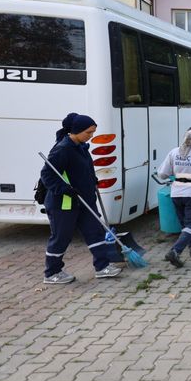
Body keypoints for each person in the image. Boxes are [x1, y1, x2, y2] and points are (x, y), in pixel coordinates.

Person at [40, 113, 122, 284]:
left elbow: (83, 170)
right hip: (64, 202)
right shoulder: (62, 149)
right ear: (76, 131)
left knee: (95, 231)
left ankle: (102, 266)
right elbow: (47, 175)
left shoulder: (82, 147)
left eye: (93, 132)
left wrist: (92, 180)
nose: (91, 136)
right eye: (88, 132)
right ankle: (52, 273)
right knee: (61, 237)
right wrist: (64, 189)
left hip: (85, 200)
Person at [157, 127, 191, 267]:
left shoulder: (174, 152)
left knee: (185, 224)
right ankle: (175, 251)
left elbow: (162, 174)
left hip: (176, 193)